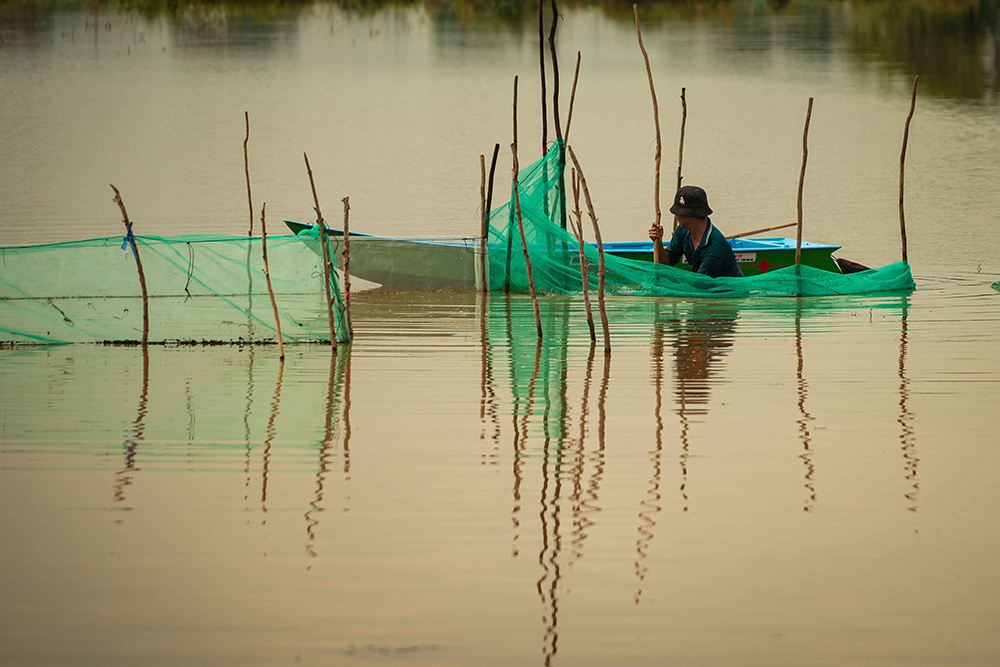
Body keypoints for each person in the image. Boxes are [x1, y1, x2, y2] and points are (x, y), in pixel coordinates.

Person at [648, 185, 744, 278]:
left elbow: (699, 284)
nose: (676, 216)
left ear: (690, 215)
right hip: (706, 287)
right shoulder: (682, 230)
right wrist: (658, 243)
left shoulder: (715, 247)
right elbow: (666, 263)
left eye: (679, 213)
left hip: (728, 292)